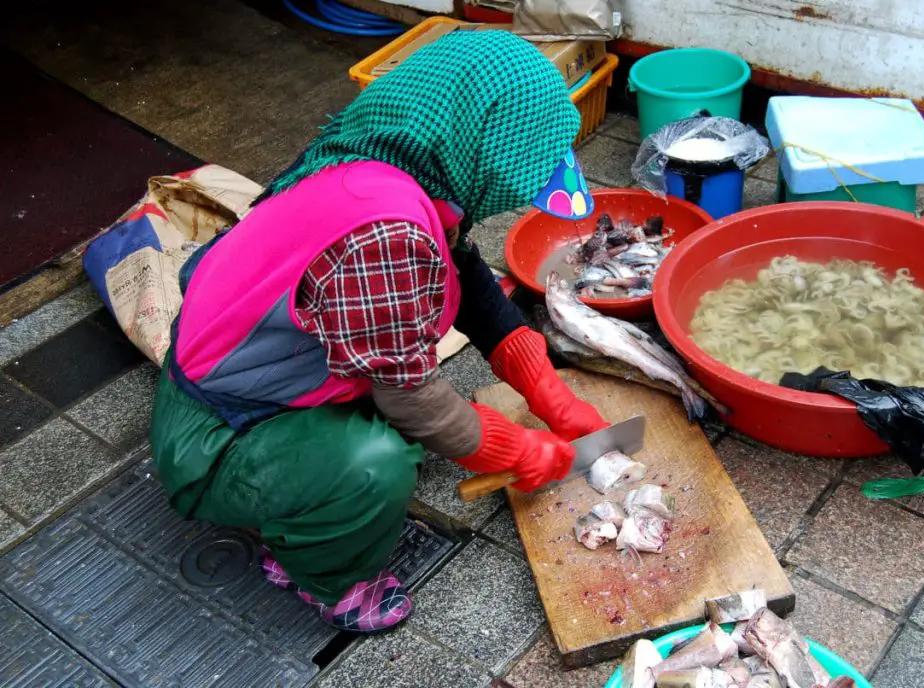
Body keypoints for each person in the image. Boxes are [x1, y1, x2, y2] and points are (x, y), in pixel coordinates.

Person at [150, 30, 607, 634]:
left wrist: (544, 384)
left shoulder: (388, 154)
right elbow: (411, 399)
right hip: (217, 432)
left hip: (259, 369)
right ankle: (324, 576)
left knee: (419, 426)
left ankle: (305, 486)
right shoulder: (385, 235)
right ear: (473, 144)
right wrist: (519, 451)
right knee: (378, 462)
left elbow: (459, 265)